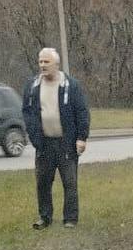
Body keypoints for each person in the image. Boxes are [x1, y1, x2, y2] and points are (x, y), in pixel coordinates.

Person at [22, 47, 90, 230]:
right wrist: (35, 137)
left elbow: (82, 112)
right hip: (44, 144)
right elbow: (28, 113)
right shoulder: (32, 86)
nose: (43, 65)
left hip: (66, 143)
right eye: (40, 62)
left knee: (70, 182)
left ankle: (70, 219)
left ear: (56, 64)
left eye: (47, 62)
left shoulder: (70, 86)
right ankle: (45, 217)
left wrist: (81, 138)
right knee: (43, 182)